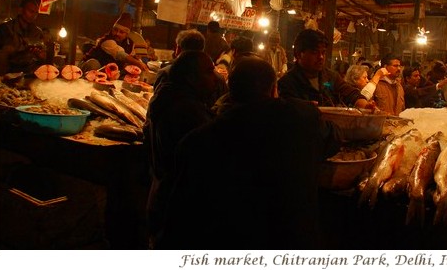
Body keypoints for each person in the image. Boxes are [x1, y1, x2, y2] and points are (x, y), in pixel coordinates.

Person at [156, 58, 326, 249]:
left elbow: (179, 217)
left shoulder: (196, 142)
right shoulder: (303, 120)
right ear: (273, 90)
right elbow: (330, 136)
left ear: (231, 92)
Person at [144, 50, 218, 248]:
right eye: (209, 72)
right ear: (191, 78)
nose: (216, 78)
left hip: (162, 199)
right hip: (178, 210)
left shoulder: (168, 99)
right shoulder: (186, 112)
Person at [277, 29, 373, 109]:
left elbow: (350, 93)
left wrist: (365, 105)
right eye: (315, 52)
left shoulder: (330, 77)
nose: (321, 57)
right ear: (299, 54)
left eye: (323, 52)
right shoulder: (287, 83)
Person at [80, 12, 149, 73]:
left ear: (126, 34)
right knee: (94, 64)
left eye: (121, 32)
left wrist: (138, 62)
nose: (117, 33)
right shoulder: (107, 40)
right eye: (115, 30)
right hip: (88, 66)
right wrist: (137, 63)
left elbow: (131, 58)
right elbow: (120, 55)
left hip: (107, 70)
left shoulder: (130, 44)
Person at [0, 0, 46, 76]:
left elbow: (43, 55)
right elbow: (1, 53)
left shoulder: (37, 32)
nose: (34, 15)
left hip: (29, 71)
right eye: (31, 11)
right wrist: (22, 50)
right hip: (9, 70)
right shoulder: (6, 28)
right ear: (20, 10)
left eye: (36, 13)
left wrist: (39, 54)